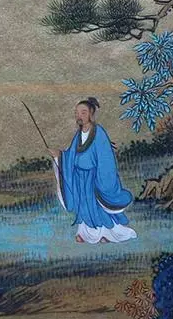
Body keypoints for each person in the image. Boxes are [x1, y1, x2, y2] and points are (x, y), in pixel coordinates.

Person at [48, 97, 137, 244]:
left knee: (98, 208)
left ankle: (106, 233)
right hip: (81, 178)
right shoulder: (78, 135)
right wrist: (60, 155)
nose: (79, 116)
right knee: (84, 206)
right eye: (77, 113)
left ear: (91, 114)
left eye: (83, 112)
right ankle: (84, 234)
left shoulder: (99, 133)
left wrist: (101, 179)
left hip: (95, 178)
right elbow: (71, 155)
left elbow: (105, 158)